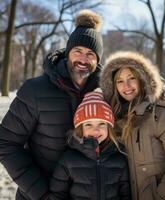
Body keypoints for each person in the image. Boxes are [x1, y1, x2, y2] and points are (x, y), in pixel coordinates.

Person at [0, 9, 103, 200]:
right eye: (78, 51)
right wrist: (42, 194)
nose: (83, 59)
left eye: (90, 54)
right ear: (67, 53)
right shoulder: (35, 90)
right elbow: (6, 143)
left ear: (97, 61)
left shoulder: (105, 94)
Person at [100, 51, 165, 200]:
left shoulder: (162, 116)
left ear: (142, 79)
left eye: (131, 78)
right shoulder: (116, 120)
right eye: (119, 81)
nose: (126, 85)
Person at [48, 90, 131, 199]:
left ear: (109, 128)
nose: (96, 130)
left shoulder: (119, 159)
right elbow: (57, 195)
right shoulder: (68, 160)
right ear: (80, 128)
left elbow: (125, 195)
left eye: (102, 123)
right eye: (88, 124)